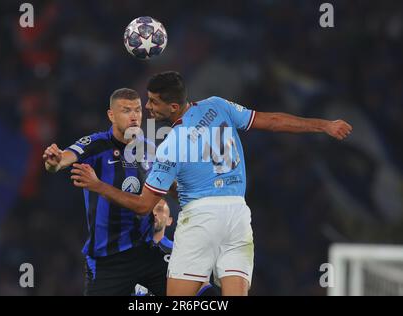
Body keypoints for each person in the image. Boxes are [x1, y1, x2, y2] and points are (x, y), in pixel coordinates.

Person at [70, 71, 353, 296]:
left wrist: (98, 186)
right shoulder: (218, 106)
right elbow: (273, 119)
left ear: (172, 106)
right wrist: (324, 125)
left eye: (153, 102)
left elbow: (144, 206)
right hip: (238, 216)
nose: (147, 107)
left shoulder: (172, 145)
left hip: (201, 220)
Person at [43, 88, 166, 296]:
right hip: (108, 260)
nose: (134, 116)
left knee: (192, 293)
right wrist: (53, 162)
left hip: (146, 252)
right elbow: (62, 160)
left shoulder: (149, 148)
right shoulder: (96, 144)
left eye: (137, 110)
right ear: (111, 115)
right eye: (126, 110)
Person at [134, 199, 221, 296]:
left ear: (169, 221)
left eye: (159, 210)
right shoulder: (127, 250)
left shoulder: (180, 252)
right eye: (150, 210)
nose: (153, 213)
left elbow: (201, 287)